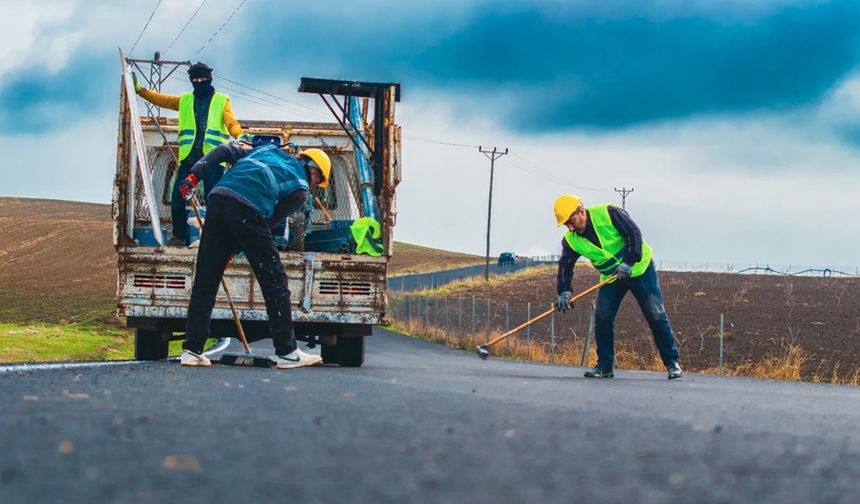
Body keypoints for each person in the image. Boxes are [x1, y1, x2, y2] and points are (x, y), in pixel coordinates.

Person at [175, 141, 332, 368]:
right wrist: (238, 243)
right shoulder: (300, 190)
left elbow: (224, 150)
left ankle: (192, 351)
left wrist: (193, 176)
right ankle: (287, 352)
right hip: (248, 210)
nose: (315, 186)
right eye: (318, 181)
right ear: (314, 171)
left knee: (205, 280)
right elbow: (267, 223)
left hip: (218, 200)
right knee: (274, 280)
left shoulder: (266, 149)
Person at [552, 195, 683, 380]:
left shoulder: (608, 213)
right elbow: (566, 266)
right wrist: (565, 291)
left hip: (639, 269)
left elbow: (634, 234)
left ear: (581, 211)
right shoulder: (571, 240)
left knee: (655, 314)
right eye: (567, 225)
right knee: (603, 317)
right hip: (611, 277)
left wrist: (628, 261)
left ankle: (672, 364)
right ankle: (604, 367)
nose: (571, 228)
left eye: (571, 221)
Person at [132, 62, 244, 246]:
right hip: (189, 160)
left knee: (214, 201)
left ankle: (214, 239)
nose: (199, 82)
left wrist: (240, 136)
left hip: (213, 160)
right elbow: (161, 99)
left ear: (210, 79)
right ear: (191, 80)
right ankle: (179, 237)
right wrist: (139, 90)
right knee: (178, 198)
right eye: (195, 80)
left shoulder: (221, 100)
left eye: (203, 79)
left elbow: (231, 123)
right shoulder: (184, 100)